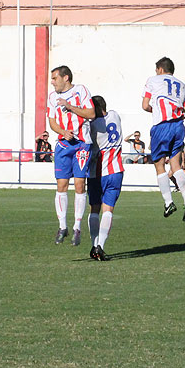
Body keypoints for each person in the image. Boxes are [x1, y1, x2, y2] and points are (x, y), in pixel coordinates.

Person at [47, 65, 96, 246]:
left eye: (54, 78)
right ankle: (62, 226)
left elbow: (91, 113)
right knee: (61, 184)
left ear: (65, 78)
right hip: (63, 144)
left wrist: (70, 106)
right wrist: (62, 131)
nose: (52, 82)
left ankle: (77, 227)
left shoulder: (80, 91)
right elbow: (52, 122)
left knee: (79, 183)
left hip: (82, 144)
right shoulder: (52, 97)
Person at [142, 56, 185, 221]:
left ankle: (168, 202)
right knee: (176, 165)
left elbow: (144, 105)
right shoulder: (184, 87)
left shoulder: (153, 80)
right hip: (179, 126)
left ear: (159, 69)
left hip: (162, 126)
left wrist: (156, 110)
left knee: (159, 166)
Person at [87, 96, 124, 261]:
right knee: (108, 210)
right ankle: (100, 246)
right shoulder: (115, 115)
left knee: (95, 209)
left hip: (97, 172)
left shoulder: (93, 126)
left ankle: (94, 245)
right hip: (115, 171)